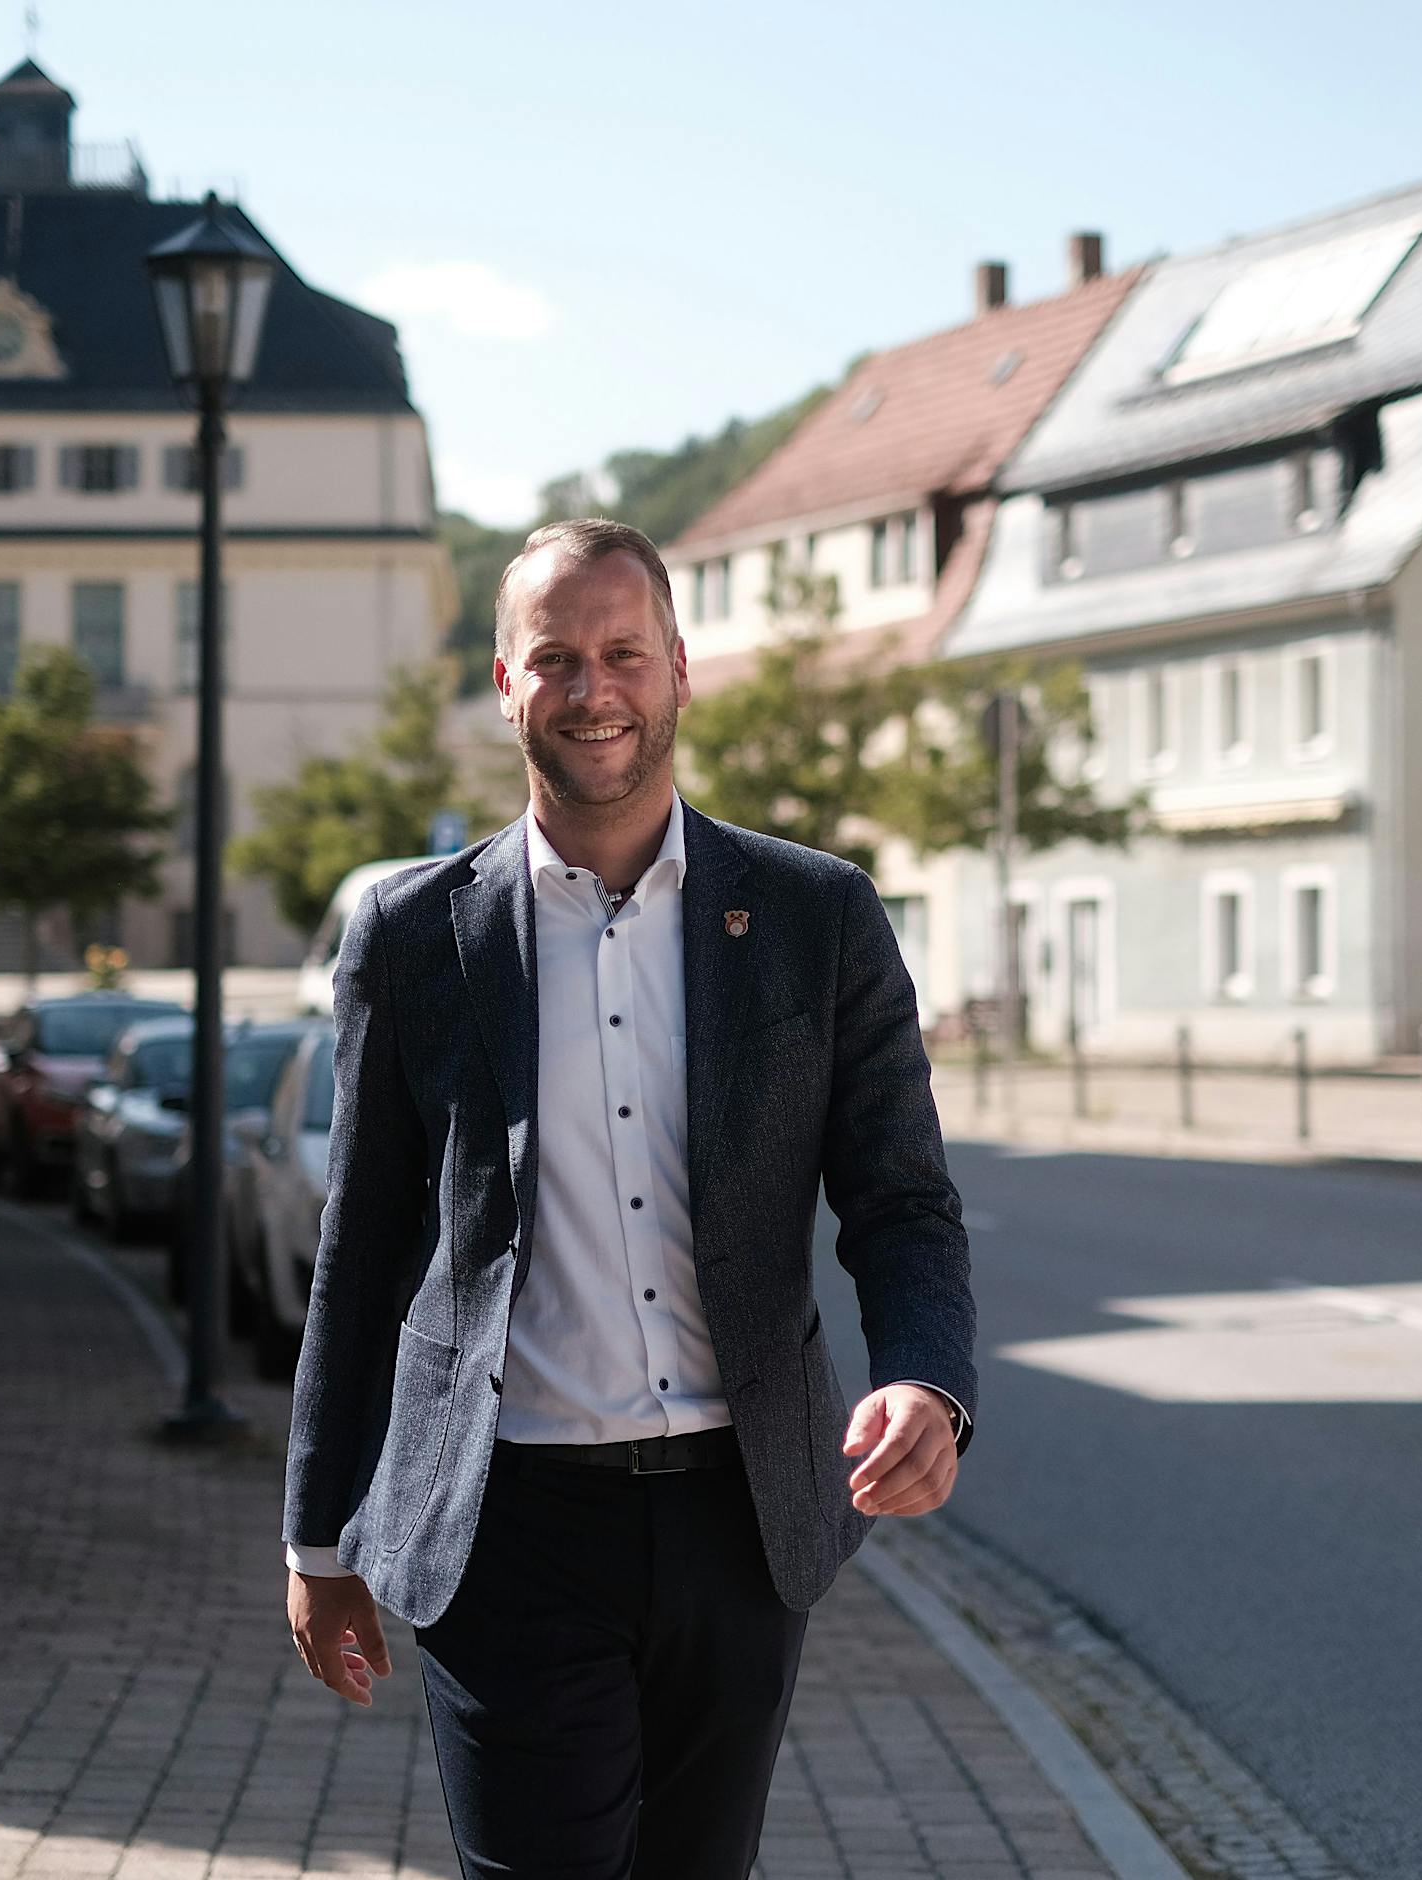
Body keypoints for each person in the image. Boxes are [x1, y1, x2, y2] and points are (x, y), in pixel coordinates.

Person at [283, 518, 976, 1878]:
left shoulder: (815, 916)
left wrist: (928, 1382)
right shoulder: (418, 936)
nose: (593, 688)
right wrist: (317, 1533)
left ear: (678, 670)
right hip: (508, 1524)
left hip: (743, 1517)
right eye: (557, 659)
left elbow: (901, 1201)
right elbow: (363, 1248)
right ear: (505, 683)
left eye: (622, 654)